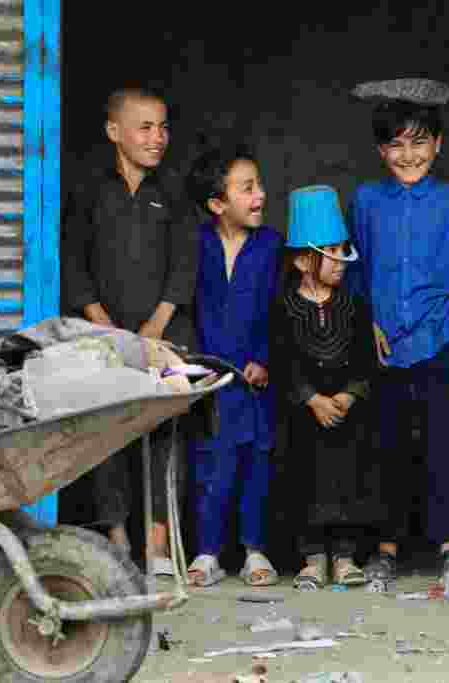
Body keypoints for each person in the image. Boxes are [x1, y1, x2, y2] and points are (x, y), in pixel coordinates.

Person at [346, 80, 449, 582]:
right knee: (387, 449)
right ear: (382, 150)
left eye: (419, 142)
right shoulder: (365, 199)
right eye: (397, 145)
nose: (409, 155)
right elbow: (355, 270)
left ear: (438, 144)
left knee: (443, 446)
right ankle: (386, 547)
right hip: (386, 347)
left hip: (439, 341)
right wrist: (367, 324)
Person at [61, 86, 196, 568]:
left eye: (163, 126)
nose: (157, 137)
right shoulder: (89, 190)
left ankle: (157, 547)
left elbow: (185, 264)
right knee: (107, 438)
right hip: (103, 337)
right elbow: (73, 263)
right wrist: (105, 327)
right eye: (145, 126)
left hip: (164, 336)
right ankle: (117, 543)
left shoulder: (174, 191)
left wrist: (156, 328)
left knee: (164, 437)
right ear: (114, 132)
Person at [271, 185, 383, 590]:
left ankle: (345, 557)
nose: (340, 261)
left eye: (342, 249)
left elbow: (366, 359)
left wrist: (349, 395)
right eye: (330, 252)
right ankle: (313, 558)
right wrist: (311, 399)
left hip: (347, 414)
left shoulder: (354, 306)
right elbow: (281, 362)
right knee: (306, 481)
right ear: (303, 260)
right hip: (304, 416)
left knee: (348, 480)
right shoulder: (283, 308)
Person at [182, 146, 282, 587]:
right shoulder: (196, 243)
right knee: (210, 465)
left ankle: (255, 550)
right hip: (209, 378)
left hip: (256, 380)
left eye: (258, 185)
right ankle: (207, 553)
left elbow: (281, 311)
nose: (260, 194)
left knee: (256, 464)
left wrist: (264, 357)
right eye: (248, 188)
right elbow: (185, 303)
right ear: (217, 204)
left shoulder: (272, 246)